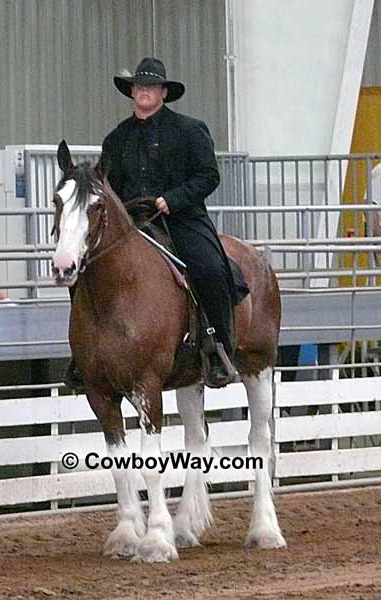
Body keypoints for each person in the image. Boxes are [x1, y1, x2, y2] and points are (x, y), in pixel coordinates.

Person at [67, 57, 239, 389]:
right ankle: (83, 353)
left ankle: (219, 349)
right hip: (131, 223)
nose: (144, 91)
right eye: (139, 86)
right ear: (132, 92)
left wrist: (172, 199)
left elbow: (208, 176)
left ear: (162, 92)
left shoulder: (190, 130)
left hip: (182, 218)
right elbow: (108, 186)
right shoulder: (116, 139)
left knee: (210, 269)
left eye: (151, 86)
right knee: (81, 270)